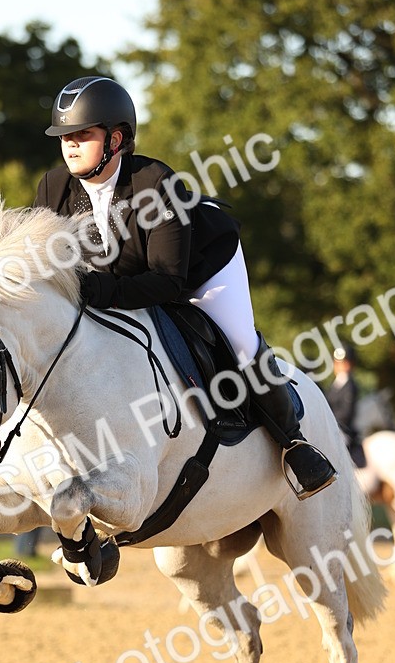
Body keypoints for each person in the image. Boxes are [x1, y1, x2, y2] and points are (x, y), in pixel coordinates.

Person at [34, 75, 337, 499]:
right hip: (123, 278)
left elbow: (168, 282)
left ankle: (295, 443)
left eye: (83, 134)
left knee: (240, 343)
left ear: (116, 139)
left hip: (201, 269)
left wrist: (99, 292)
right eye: (65, 136)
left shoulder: (157, 183)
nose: (70, 145)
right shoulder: (53, 187)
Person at [325, 344, 365, 468]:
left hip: (343, 428)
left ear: (350, 364)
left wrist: (329, 420)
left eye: (343, 363)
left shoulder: (350, 386)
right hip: (331, 424)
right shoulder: (335, 384)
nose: (339, 366)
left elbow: (346, 413)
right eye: (337, 363)